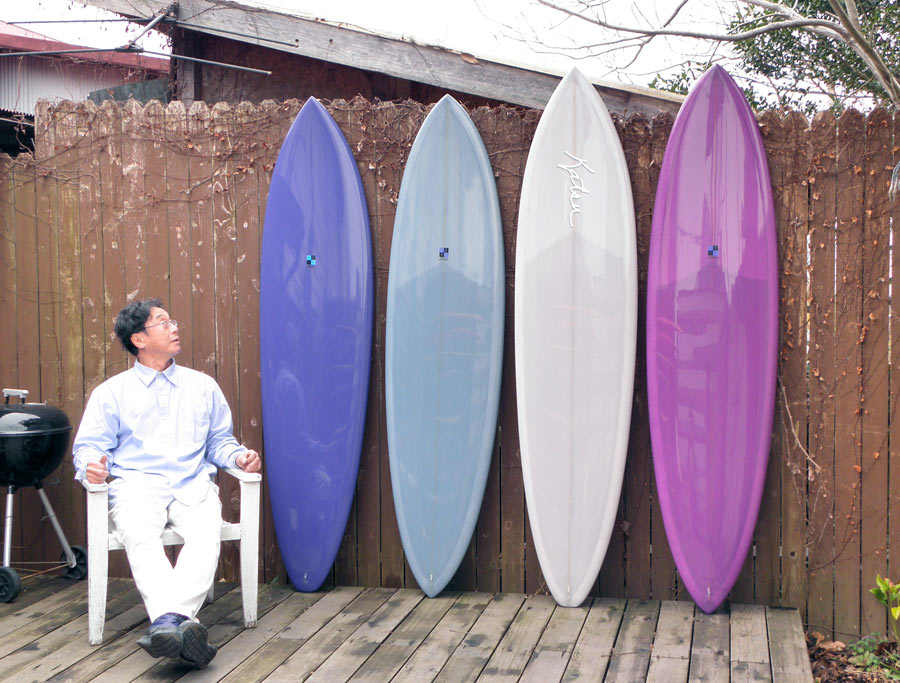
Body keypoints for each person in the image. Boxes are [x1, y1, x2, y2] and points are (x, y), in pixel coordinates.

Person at [72, 298, 261, 668]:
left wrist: (238, 457)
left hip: (192, 483)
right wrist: (91, 468)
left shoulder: (203, 386)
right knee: (139, 534)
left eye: (172, 321)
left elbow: (218, 442)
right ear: (139, 339)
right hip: (137, 486)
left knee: (205, 533)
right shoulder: (111, 393)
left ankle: (167, 623)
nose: (174, 327)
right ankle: (181, 624)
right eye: (163, 322)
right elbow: (89, 448)